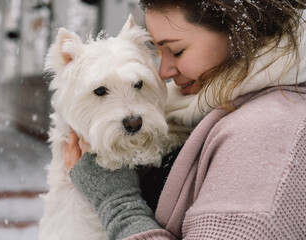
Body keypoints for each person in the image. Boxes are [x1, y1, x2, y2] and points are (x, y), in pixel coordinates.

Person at [64, 0, 306, 239]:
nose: (163, 71)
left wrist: (115, 201)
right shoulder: (200, 107)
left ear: (238, 31)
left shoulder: (267, 132)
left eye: (177, 51)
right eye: (159, 52)